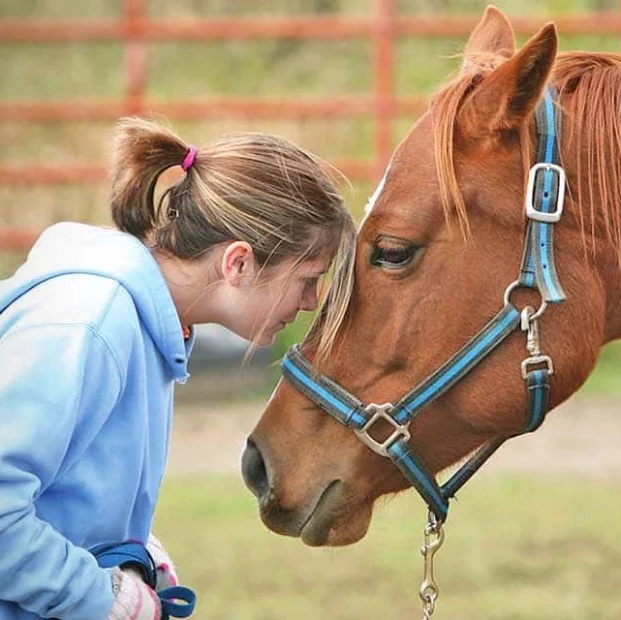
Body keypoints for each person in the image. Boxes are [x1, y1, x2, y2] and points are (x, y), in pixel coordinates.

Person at [0, 117, 355, 619]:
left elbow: (65, 488)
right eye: (308, 279)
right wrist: (106, 599)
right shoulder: (92, 325)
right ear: (238, 263)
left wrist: (137, 546)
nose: (311, 302)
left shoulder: (153, 331)